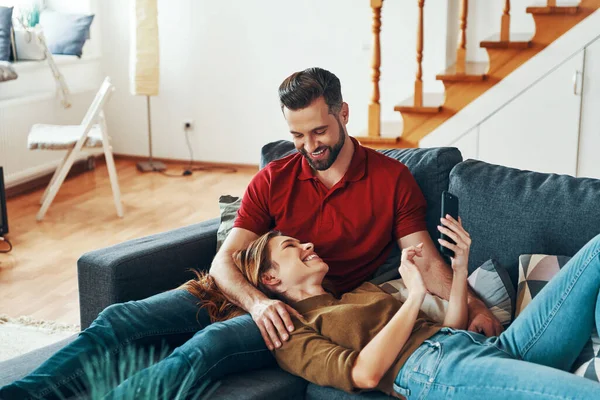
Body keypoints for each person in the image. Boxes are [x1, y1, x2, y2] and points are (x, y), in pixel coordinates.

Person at [0, 67, 500, 399]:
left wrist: (476, 307)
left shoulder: (391, 180)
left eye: (319, 132)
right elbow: (225, 261)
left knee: (208, 347)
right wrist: (257, 302)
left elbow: (424, 257)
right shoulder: (276, 177)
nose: (309, 146)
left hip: (302, 312)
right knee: (119, 319)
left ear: (343, 115)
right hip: (247, 294)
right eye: (297, 135)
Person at [196, 223, 600, 399]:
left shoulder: (360, 293)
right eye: (291, 248)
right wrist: (414, 294)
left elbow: (452, 325)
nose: (306, 246)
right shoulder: (294, 332)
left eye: (301, 241)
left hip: (479, 346)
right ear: (271, 281)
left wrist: (460, 268)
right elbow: (365, 374)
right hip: (435, 371)